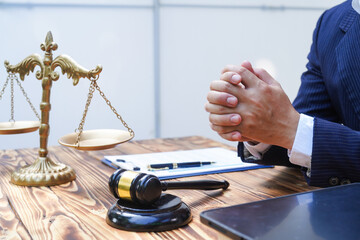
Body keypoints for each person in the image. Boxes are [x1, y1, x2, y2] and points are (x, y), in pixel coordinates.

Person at [205, 0, 360, 187]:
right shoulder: (332, 23)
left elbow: (297, 130)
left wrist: (292, 130)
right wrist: (258, 126)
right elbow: (308, 124)